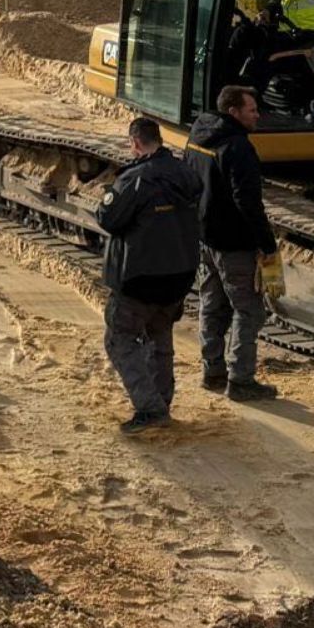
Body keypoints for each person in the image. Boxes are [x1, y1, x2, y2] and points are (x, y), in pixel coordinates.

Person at [96, 116, 202, 434]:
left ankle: (150, 407)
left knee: (120, 338)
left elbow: (109, 218)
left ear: (136, 143)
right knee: (160, 335)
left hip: (140, 277)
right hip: (179, 274)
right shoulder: (186, 173)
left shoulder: (135, 180)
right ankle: (162, 402)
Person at [185, 85, 284, 402]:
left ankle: (212, 371)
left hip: (205, 236)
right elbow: (248, 202)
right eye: (252, 109)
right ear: (234, 112)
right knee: (249, 309)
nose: (258, 114)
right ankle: (241, 381)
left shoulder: (199, 134)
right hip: (233, 243)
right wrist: (267, 245)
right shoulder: (238, 147)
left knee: (212, 305)